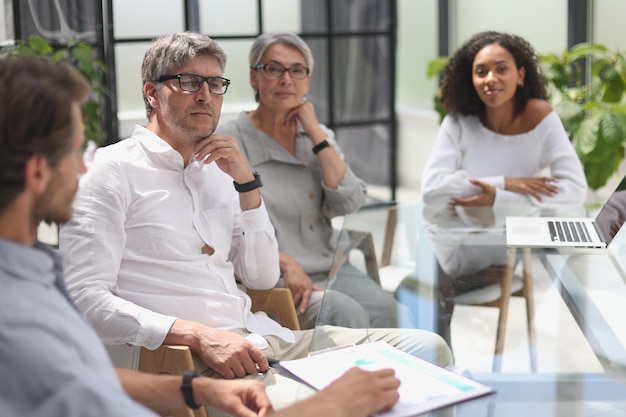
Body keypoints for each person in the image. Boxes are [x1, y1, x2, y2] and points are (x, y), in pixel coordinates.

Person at [58, 31, 453, 410]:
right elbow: (85, 298)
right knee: (358, 403)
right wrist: (198, 335)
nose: (205, 95)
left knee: (428, 348)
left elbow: (262, 278)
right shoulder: (109, 171)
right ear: (151, 91)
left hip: (265, 339)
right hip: (194, 365)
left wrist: (247, 185)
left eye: (215, 84)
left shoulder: (218, 170)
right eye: (189, 81)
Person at [216, 32, 407, 329]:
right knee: (346, 316)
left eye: (297, 70)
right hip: (271, 274)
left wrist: (315, 132)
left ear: (307, 80)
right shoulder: (230, 141)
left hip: (331, 266)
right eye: (274, 69)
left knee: (395, 314)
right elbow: (220, 228)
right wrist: (284, 261)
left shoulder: (318, 135)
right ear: (255, 78)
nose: (286, 79)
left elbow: (350, 201)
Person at [421, 31, 587, 208]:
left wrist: (501, 200)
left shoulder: (540, 116)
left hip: (525, 229)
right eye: (481, 72)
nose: (490, 79)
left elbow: (575, 190)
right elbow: (431, 190)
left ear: (520, 76)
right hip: (467, 228)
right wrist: (506, 183)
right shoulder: (458, 121)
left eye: (501, 69)